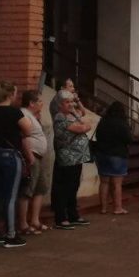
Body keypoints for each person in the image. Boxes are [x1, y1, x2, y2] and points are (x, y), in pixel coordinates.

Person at [0, 82, 33, 248]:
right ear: (10, 95)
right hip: (10, 154)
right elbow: (28, 130)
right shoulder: (14, 112)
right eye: (15, 93)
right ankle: (11, 234)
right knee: (11, 195)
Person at [51, 89, 92, 229]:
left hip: (77, 157)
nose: (70, 104)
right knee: (64, 187)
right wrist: (84, 126)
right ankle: (61, 218)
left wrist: (77, 106)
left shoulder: (72, 114)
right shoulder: (60, 117)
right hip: (67, 157)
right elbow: (80, 128)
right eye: (67, 102)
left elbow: (87, 121)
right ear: (60, 104)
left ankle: (73, 215)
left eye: (71, 101)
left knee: (73, 186)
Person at [18, 90, 51, 233]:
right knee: (28, 190)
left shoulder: (33, 115)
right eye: (39, 101)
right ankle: (23, 224)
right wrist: (29, 155)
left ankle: (35, 220)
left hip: (39, 156)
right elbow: (24, 136)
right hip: (32, 156)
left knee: (40, 188)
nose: (42, 104)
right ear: (31, 103)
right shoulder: (24, 114)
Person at [95, 101, 133, 215]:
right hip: (118, 155)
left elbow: (97, 135)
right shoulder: (122, 123)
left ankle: (103, 208)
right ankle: (118, 208)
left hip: (102, 154)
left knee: (104, 182)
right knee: (117, 184)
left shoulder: (103, 121)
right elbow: (128, 139)